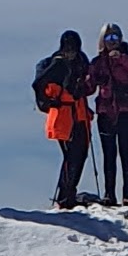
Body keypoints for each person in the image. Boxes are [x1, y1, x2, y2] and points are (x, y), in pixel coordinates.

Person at [87, 24, 128, 205]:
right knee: (109, 155)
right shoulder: (98, 63)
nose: (112, 42)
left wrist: (122, 59)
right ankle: (109, 193)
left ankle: (127, 194)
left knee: (126, 152)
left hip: (125, 111)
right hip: (105, 113)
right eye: (108, 38)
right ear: (102, 41)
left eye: (115, 38)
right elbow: (89, 88)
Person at [34, 30, 93, 209]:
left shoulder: (80, 62)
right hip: (65, 115)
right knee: (72, 156)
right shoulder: (56, 64)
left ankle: (67, 195)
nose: (70, 52)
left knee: (79, 155)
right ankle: (66, 197)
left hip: (77, 114)